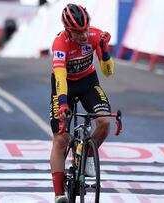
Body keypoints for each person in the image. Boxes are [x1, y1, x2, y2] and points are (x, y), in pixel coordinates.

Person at [49, 4, 114, 203]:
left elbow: (109, 72)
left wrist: (103, 50)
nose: (84, 35)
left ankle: (87, 156)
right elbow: (60, 76)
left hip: (88, 82)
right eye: (78, 32)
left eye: (86, 29)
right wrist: (62, 104)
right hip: (65, 85)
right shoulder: (60, 43)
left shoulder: (95, 36)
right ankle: (59, 194)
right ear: (69, 30)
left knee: (104, 123)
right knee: (61, 138)